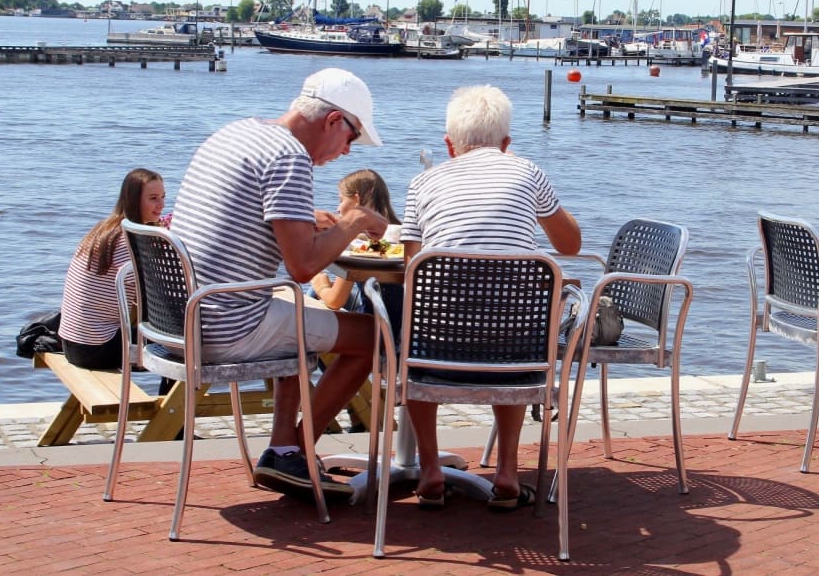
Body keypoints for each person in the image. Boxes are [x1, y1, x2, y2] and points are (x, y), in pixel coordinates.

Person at [168, 68, 388, 498]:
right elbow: (303, 268)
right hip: (227, 325)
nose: (348, 151)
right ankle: (300, 450)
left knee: (298, 316)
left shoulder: (235, 133)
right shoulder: (290, 158)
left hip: (183, 317)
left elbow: (248, 218)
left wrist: (313, 221)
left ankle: (285, 450)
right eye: (352, 137)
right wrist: (353, 220)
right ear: (331, 121)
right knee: (376, 335)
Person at [399, 85, 582, 511]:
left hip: (434, 354)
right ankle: (506, 470)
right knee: (513, 316)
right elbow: (570, 244)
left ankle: (428, 467)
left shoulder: (422, 181)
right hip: (518, 355)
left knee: (409, 320)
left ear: (449, 145)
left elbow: (414, 269)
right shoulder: (527, 173)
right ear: (506, 144)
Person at [58, 168, 166, 370]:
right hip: (97, 347)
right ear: (134, 200)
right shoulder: (127, 240)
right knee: (183, 344)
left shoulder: (106, 228)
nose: (161, 205)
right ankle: (174, 402)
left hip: (73, 341)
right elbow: (156, 298)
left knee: (171, 338)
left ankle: (171, 400)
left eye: (162, 197)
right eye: (153, 198)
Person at [310, 169, 401, 315]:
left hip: (376, 326)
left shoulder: (364, 247)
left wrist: (320, 286)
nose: (338, 208)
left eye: (341, 200)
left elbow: (335, 301)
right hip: (400, 323)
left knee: (312, 295)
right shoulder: (396, 235)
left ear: (357, 200)